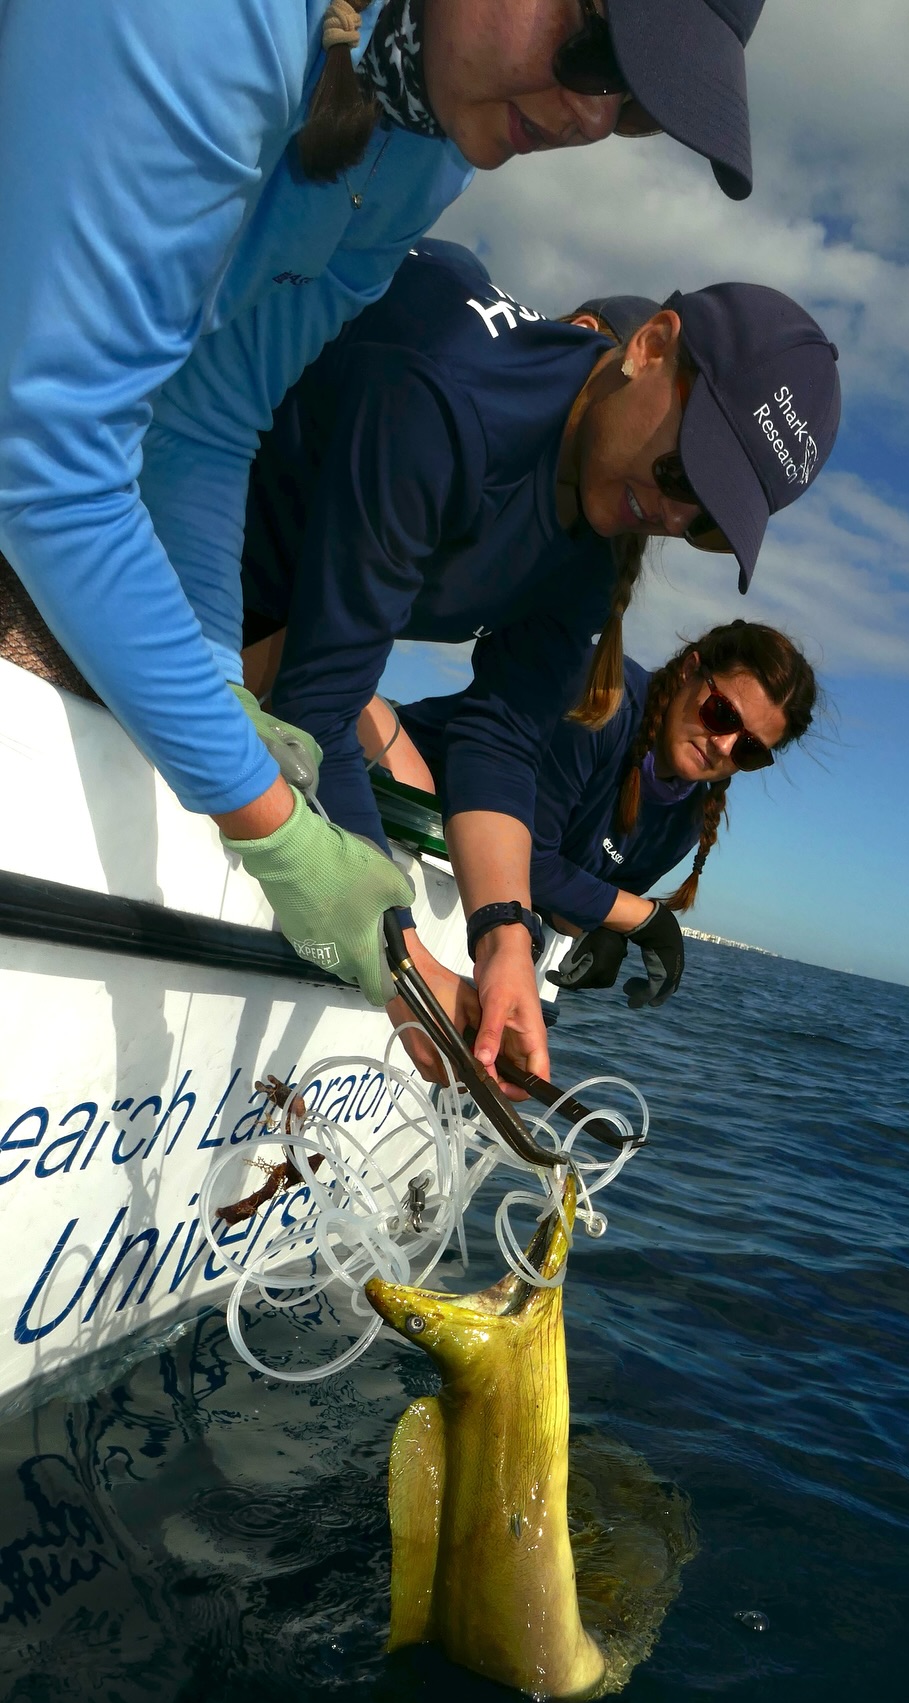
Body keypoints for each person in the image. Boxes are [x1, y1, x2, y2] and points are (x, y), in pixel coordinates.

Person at [0, 0, 771, 1080]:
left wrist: (218, 691)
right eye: (600, 53)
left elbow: (210, 421)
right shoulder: (205, 25)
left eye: (635, 108)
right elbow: (48, 455)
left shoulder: (423, 158)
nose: (590, 114)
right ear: (651, 347)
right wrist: (278, 833)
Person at [233, 241, 842, 1080]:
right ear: (649, 347)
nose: (669, 513)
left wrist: (504, 936)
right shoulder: (444, 398)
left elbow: (503, 739)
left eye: (705, 521)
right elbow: (316, 708)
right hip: (184, 563)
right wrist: (403, 972)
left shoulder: (595, 547)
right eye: (680, 469)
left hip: (278, 625)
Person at [370, 620, 817, 1010]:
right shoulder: (603, 699)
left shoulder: (685, 821)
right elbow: (516, 854)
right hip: (382, 784)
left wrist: (604, 929)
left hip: (458, 896)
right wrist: (641, 919)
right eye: (721, 713)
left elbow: (586, 896)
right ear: (688, 671)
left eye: (750, 749)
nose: (723, 745)